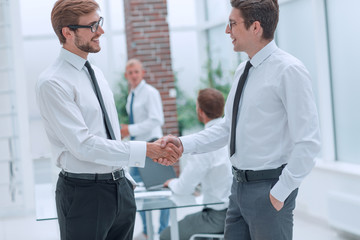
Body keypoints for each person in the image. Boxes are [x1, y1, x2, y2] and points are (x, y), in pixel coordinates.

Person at [157, 0, 321, 239]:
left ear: (255, 27)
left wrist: (279, 193)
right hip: (237, 190)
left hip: (269, 189)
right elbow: (227, 129)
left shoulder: (289, 70)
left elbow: (309, 142)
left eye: (233, 24)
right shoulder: (243, 71)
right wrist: (183, 144)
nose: (227, 31)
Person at [35, 1, 180, 239]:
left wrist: (125, 181)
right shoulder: (53, 82)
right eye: (93, 25)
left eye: (99, 23)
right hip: (85, 194)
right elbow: (83, 145)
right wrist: (146, 150)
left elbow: (108, 132)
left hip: (120, 189)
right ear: (67, 32)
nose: (101, 31)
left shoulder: (96, 73)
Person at [160, 88, 232, 240]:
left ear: (200, 111)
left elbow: (184, 188)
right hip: (235, 213)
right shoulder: (231, 136)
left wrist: (172, 183)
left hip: (216, 217)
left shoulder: (204, 142)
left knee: (166, 235)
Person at [120, 58, 169, 239]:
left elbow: (157, 119)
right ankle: (148, 230)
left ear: (142, 73)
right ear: (126, 76)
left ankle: (163, 231)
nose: (133, 76)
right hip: (138, 149)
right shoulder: (132, 94)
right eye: (130, 73)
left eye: (136, 72)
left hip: (153, 147)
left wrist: (130, 129)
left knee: (162, 191)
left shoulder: (150, 93)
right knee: (135, 190)